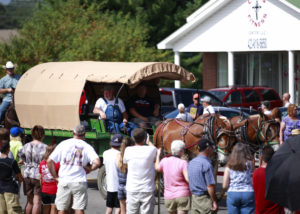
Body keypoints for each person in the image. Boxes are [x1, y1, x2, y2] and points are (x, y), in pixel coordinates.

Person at [47, 125, 101, 214]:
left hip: (64, 179)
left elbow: (49, 161)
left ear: (73, 133)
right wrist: (90, 169)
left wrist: (55, 176)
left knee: (61, 209)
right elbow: (97, 162)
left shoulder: (63, 144)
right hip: (79, 180)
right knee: (79, 208)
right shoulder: (86, 146)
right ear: (84, 134)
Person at [123, 128, 157, 214]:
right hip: (147, 189)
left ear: (133, 139)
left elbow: (125, 163)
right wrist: (148, 142)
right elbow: (156, 150)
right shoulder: (151, 150)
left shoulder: (128, 150)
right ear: (145, 139)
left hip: (132, 189)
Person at [18, 125, 48, 214]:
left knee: (30, 201)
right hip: (38, 176)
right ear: (43, 135)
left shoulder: (26, 145)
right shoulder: (45, 147)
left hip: (27, 174)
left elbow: (21, 157)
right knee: (37, 202)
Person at [155, 140, 191, 214]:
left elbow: (157, 168)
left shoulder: (164, 161)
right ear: (181, 151)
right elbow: (188, 179)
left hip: (169, 195)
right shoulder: (183, 163)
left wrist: (158, 155)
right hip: (182, 194)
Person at [222, 143, 255, 214]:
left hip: (233, 193)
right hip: (248, 193)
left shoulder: (229, 165)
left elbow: (224, 185)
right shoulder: (250, 163)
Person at [188, 139, 218, 214]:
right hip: (205, 200)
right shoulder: (207, 164)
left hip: (194, 199)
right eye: (212, 147)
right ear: (208, 149)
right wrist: (214, 201)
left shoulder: (191, 162)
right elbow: (210, 186)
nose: (213, 150)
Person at [252, 146, 284, 214]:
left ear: (262, 157)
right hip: (275, 211)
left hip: (260, 211)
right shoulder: (278, 174)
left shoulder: (256, 173)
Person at [0, 138, 23, 214]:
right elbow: (19, 177)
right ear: (8, 149)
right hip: (10, 189)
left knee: (2, 211)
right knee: (14, 211)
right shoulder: (12, 162)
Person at [103, 134, 123, 214]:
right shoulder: (121, 155)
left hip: (110, 185)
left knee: (109, 208)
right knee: (118, 208)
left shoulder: (105, 153)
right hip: (119, 185)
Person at [39, 145, 60, 214]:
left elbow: (40, 177)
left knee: (46, 207)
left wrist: (41, 187)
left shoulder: (42, 163)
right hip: (55, 189)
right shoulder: (57, 163)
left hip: (44, 189)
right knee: (54, 208)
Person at [116, 137, 134, 214]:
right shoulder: (131, 157)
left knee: (123, 211)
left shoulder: (118, 156)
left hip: (120, 186)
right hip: (129, 187)